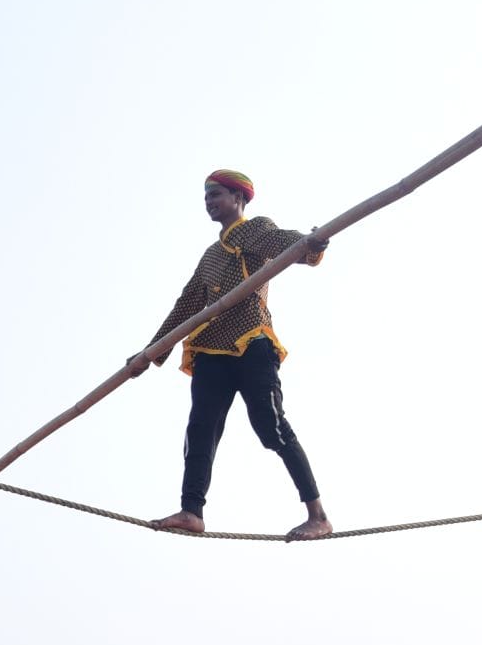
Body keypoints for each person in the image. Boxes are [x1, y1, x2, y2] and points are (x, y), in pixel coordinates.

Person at [128, 168, 332, 540]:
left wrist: (312, 243)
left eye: (217, 195)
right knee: (201, 430)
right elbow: (186, 306)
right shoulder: (210, 257)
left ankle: (317, 515)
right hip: (211, 352)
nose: (209, 202)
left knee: (270, 426)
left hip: (250, 343)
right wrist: (151, 352)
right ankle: (192, 511)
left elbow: (283, 244)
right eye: (206, 197)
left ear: (238, 199)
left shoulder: (251, 231)